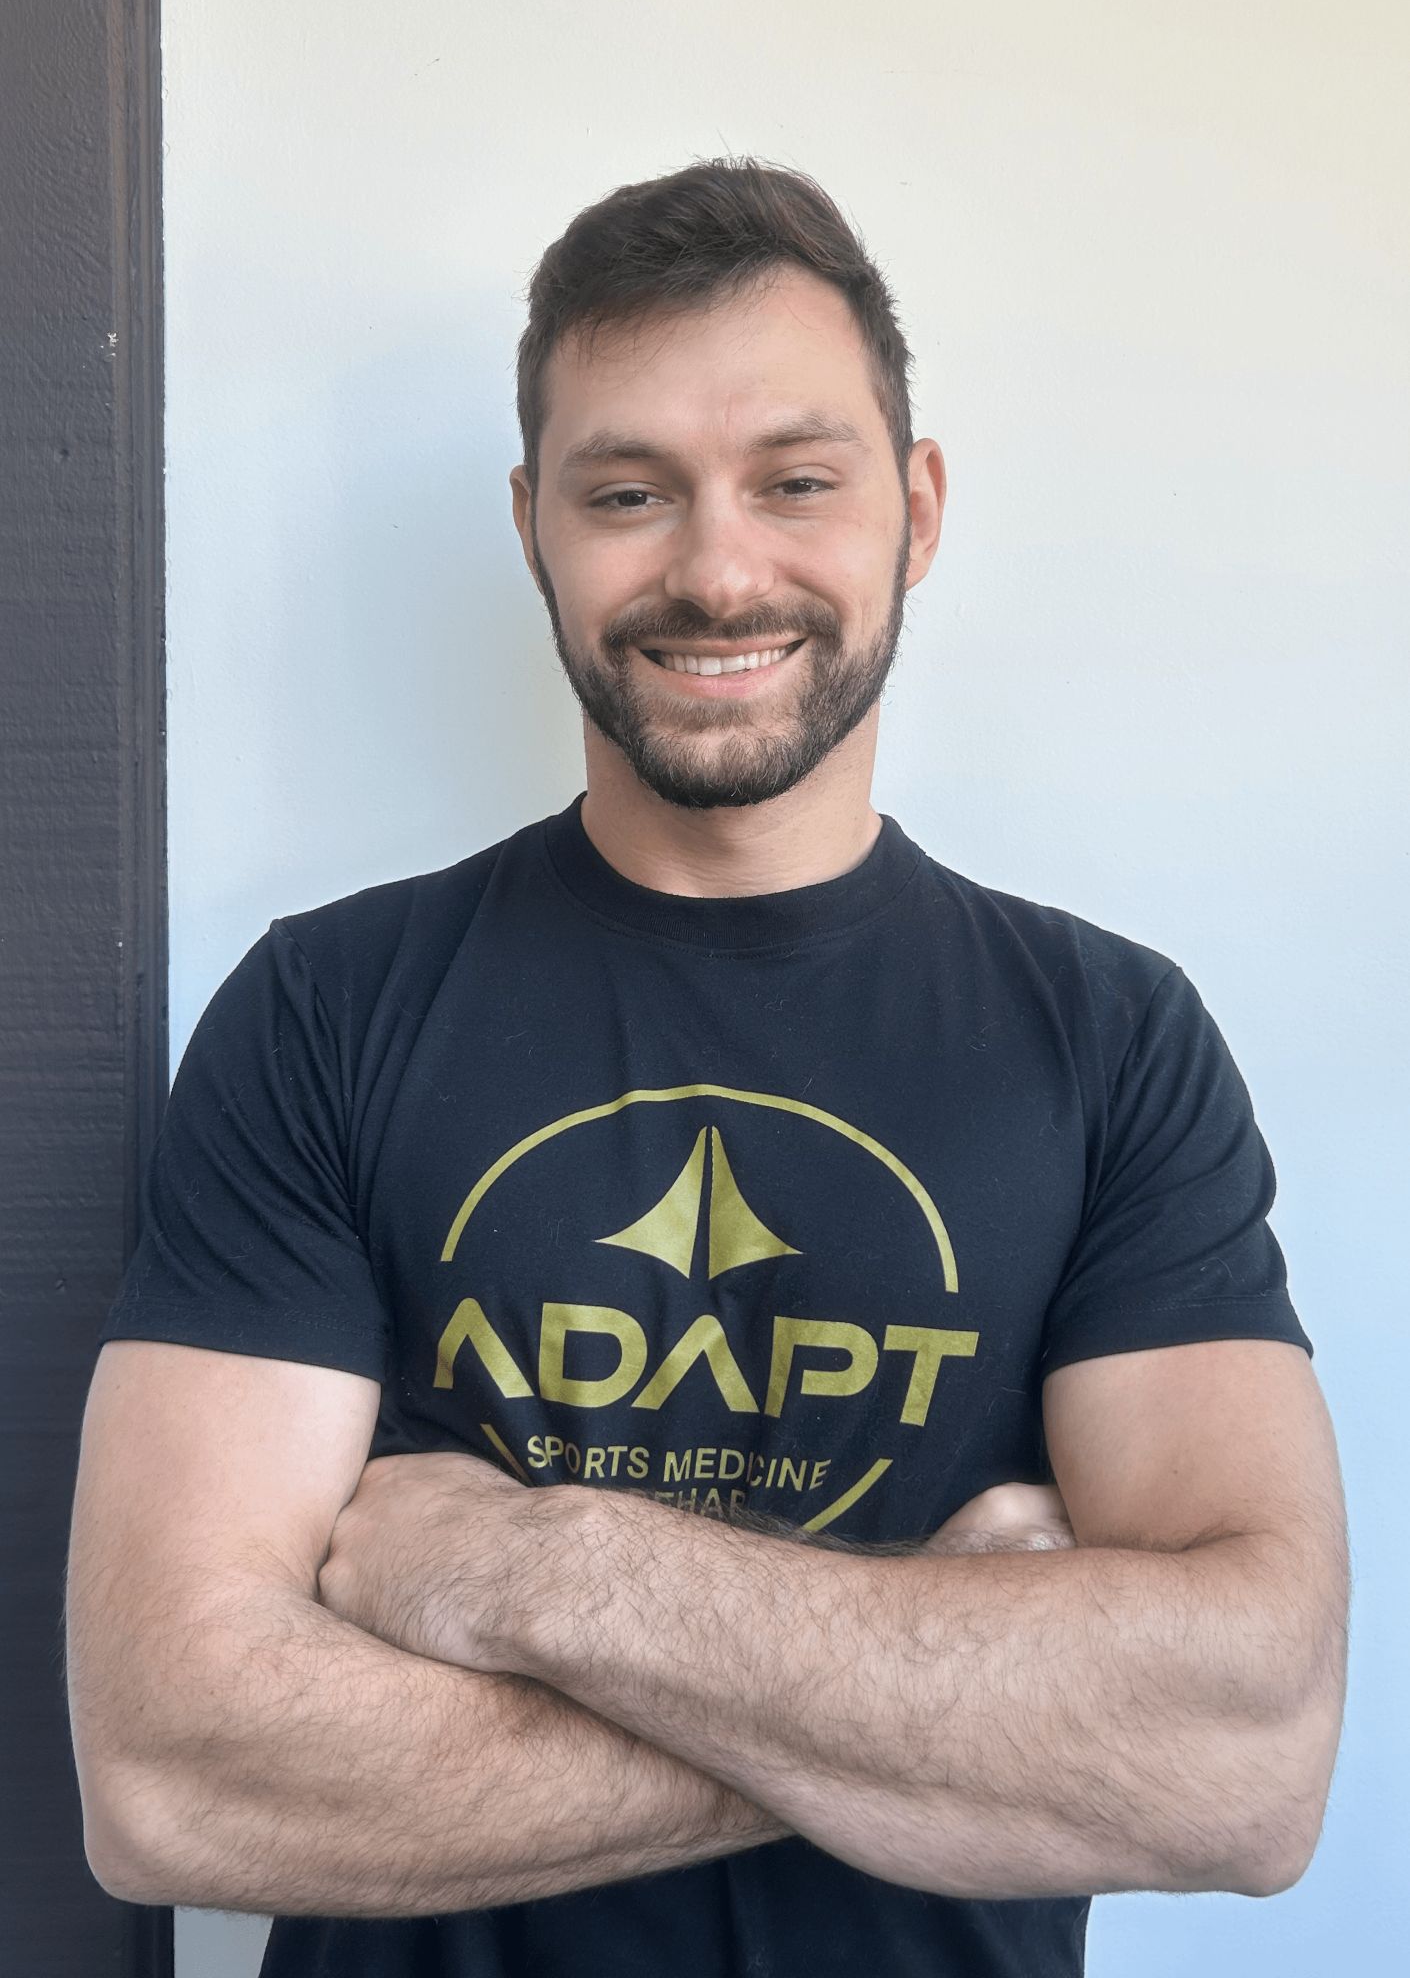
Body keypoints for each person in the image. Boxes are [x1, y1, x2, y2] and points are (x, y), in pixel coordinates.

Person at [66, 158, 1347, 1978]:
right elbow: (173, 1777)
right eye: (627, 492)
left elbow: (1240, 1767)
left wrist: (532, 1573)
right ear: (534, 525)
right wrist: (953, 1670)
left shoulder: (1111, 1037)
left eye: (795, 481)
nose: (719, 569)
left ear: (915, 509)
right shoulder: (321, 1012)